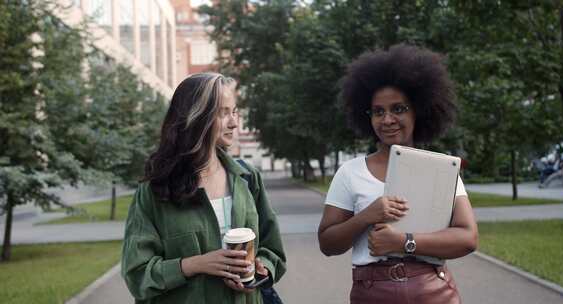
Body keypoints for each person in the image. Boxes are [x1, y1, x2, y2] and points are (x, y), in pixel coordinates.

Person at [318, 45, 478, 304]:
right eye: (378, 111)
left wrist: (404, 242)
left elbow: (468, 237)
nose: (387, 119)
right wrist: (367, 216)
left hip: (433, 293)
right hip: (371, 293)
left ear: (418, 111)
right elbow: (327, 243)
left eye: (398, 109)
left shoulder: (441, 169)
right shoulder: (350, 173)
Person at [122, 73, 286, 304]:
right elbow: (137, 274)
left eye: (235, 111)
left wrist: (261, 270)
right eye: (224, 113)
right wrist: (195, 264)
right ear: (196, 117)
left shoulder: (247, 178)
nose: (234, 122)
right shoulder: (155, 189)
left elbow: (273, 250)